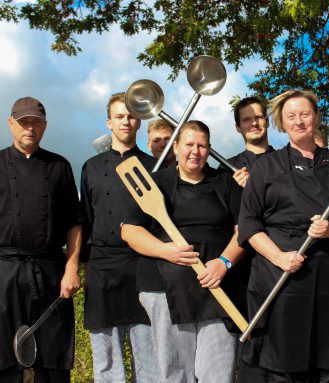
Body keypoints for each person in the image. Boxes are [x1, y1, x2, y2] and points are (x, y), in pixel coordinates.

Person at [237, 89, 329, 382]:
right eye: (291, 116)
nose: (299, 122)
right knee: (284, 368)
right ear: (281, 124)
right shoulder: (265, 167)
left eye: (305, 114)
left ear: (317, 117)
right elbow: (248, 224)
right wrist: (279, 257)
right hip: (282, 281)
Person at [122, 120, 245, 383]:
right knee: (175, 373)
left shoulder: (225, 183)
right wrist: (165, 250)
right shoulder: (155, 183)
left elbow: (243, 231)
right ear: (175, 147)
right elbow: (130, 231)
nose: (195, 151)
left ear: (209, 150)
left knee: (219, 372)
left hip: (218, 289)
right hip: (164, 289)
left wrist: (224, 262)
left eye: (202, 146)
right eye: (189, 144)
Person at [0, 97, 82, 383]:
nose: (30, 128)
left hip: (50, 271)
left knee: (55, 357)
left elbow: (74, 223)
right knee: (3, 360)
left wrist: (71, 269)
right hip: (4, 272)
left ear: (45, 126)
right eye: (24, 122)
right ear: (11, 123)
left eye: (36, 122)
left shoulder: (59, 166)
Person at [80, 92, 157, 382]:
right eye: (120, 116)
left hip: (143, 266)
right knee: (105, 359)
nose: (126, 121)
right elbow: (85, 218)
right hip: (101, 268)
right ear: (109, 122)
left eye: (131, 116)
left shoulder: (154, 168)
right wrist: (83, 268)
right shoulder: (91, 168)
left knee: (148, 355)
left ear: (139, 122)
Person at [226, 96, 274, 188]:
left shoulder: (285, 162)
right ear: (238, 127)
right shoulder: (227, 168)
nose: (254, 123)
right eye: (246, 119)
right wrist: (233, 188)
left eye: (258, 117)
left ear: (267, 122)